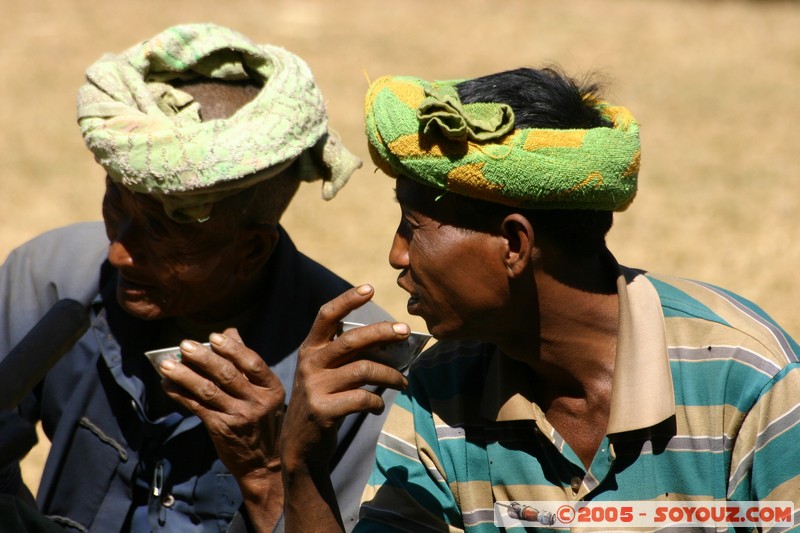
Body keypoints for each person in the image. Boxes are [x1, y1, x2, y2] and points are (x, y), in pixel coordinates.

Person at [278, 67, 800, 531]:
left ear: (514, 244)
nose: (397, 256)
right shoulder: (438, 394)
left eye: (412, 228)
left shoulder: (748, 382)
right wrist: (301, 467)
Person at [0, 23, 397, 533]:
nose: (119, 253)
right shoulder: (51, 278)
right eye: (115, 207)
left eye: (161, 232)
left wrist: (265, 474)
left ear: (251, 250)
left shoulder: (353, 373)